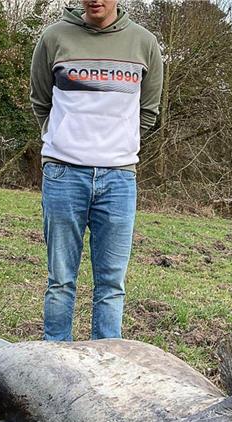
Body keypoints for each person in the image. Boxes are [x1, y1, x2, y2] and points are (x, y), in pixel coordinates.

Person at [29, 0, 163, 341]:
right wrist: (63, 141)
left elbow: (148, 111)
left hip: (119, 179)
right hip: (63, 174)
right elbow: (40, 101)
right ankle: (55, 362)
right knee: (60, 281)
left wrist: (118, 146)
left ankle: (106, 367)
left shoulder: (144, 44)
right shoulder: (53, 38)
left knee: (111, 285)